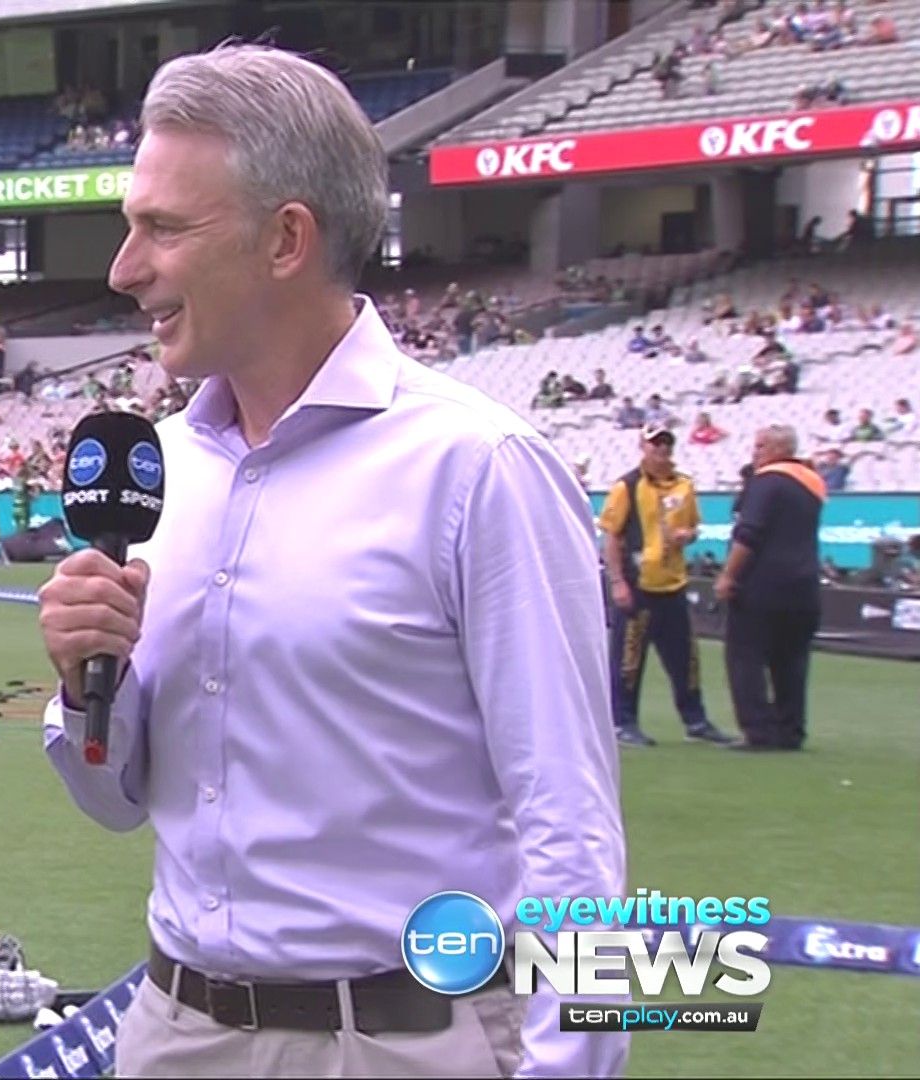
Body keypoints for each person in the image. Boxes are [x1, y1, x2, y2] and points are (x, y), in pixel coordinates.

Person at [35, 44, 627, 1079]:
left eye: (163, 228)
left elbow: (569, 822)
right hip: (179, 1034)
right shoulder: (162, 470)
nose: (124, 269)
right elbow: (115, 802)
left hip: (408, 1043)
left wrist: (572, 1061)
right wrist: (93, 685)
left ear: (286, 240)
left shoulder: (476, 468)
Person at [597, 425, 734, 747]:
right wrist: (617, 581)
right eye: (655, 444)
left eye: (666, 444)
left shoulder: (684, 485)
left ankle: (695, 720)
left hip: (672, 584)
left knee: (685, 657)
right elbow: (612, 536)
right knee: (629, 659)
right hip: (638, 583)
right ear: (643, 447)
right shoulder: (627, 486)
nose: (661, 450)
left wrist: (688, 535)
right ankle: (623, 721)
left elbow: (693, 527)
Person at [716, 425, 826, 750]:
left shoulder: (766, 482)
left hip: (761, 584)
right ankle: (790, 730)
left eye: (761, 446)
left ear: (779, 450)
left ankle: (758, 730)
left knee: (745, 657)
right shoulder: (811, 483)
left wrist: (728, 576)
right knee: (792, 661)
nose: (755, 452)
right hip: (803, 584)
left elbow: (749, 533)